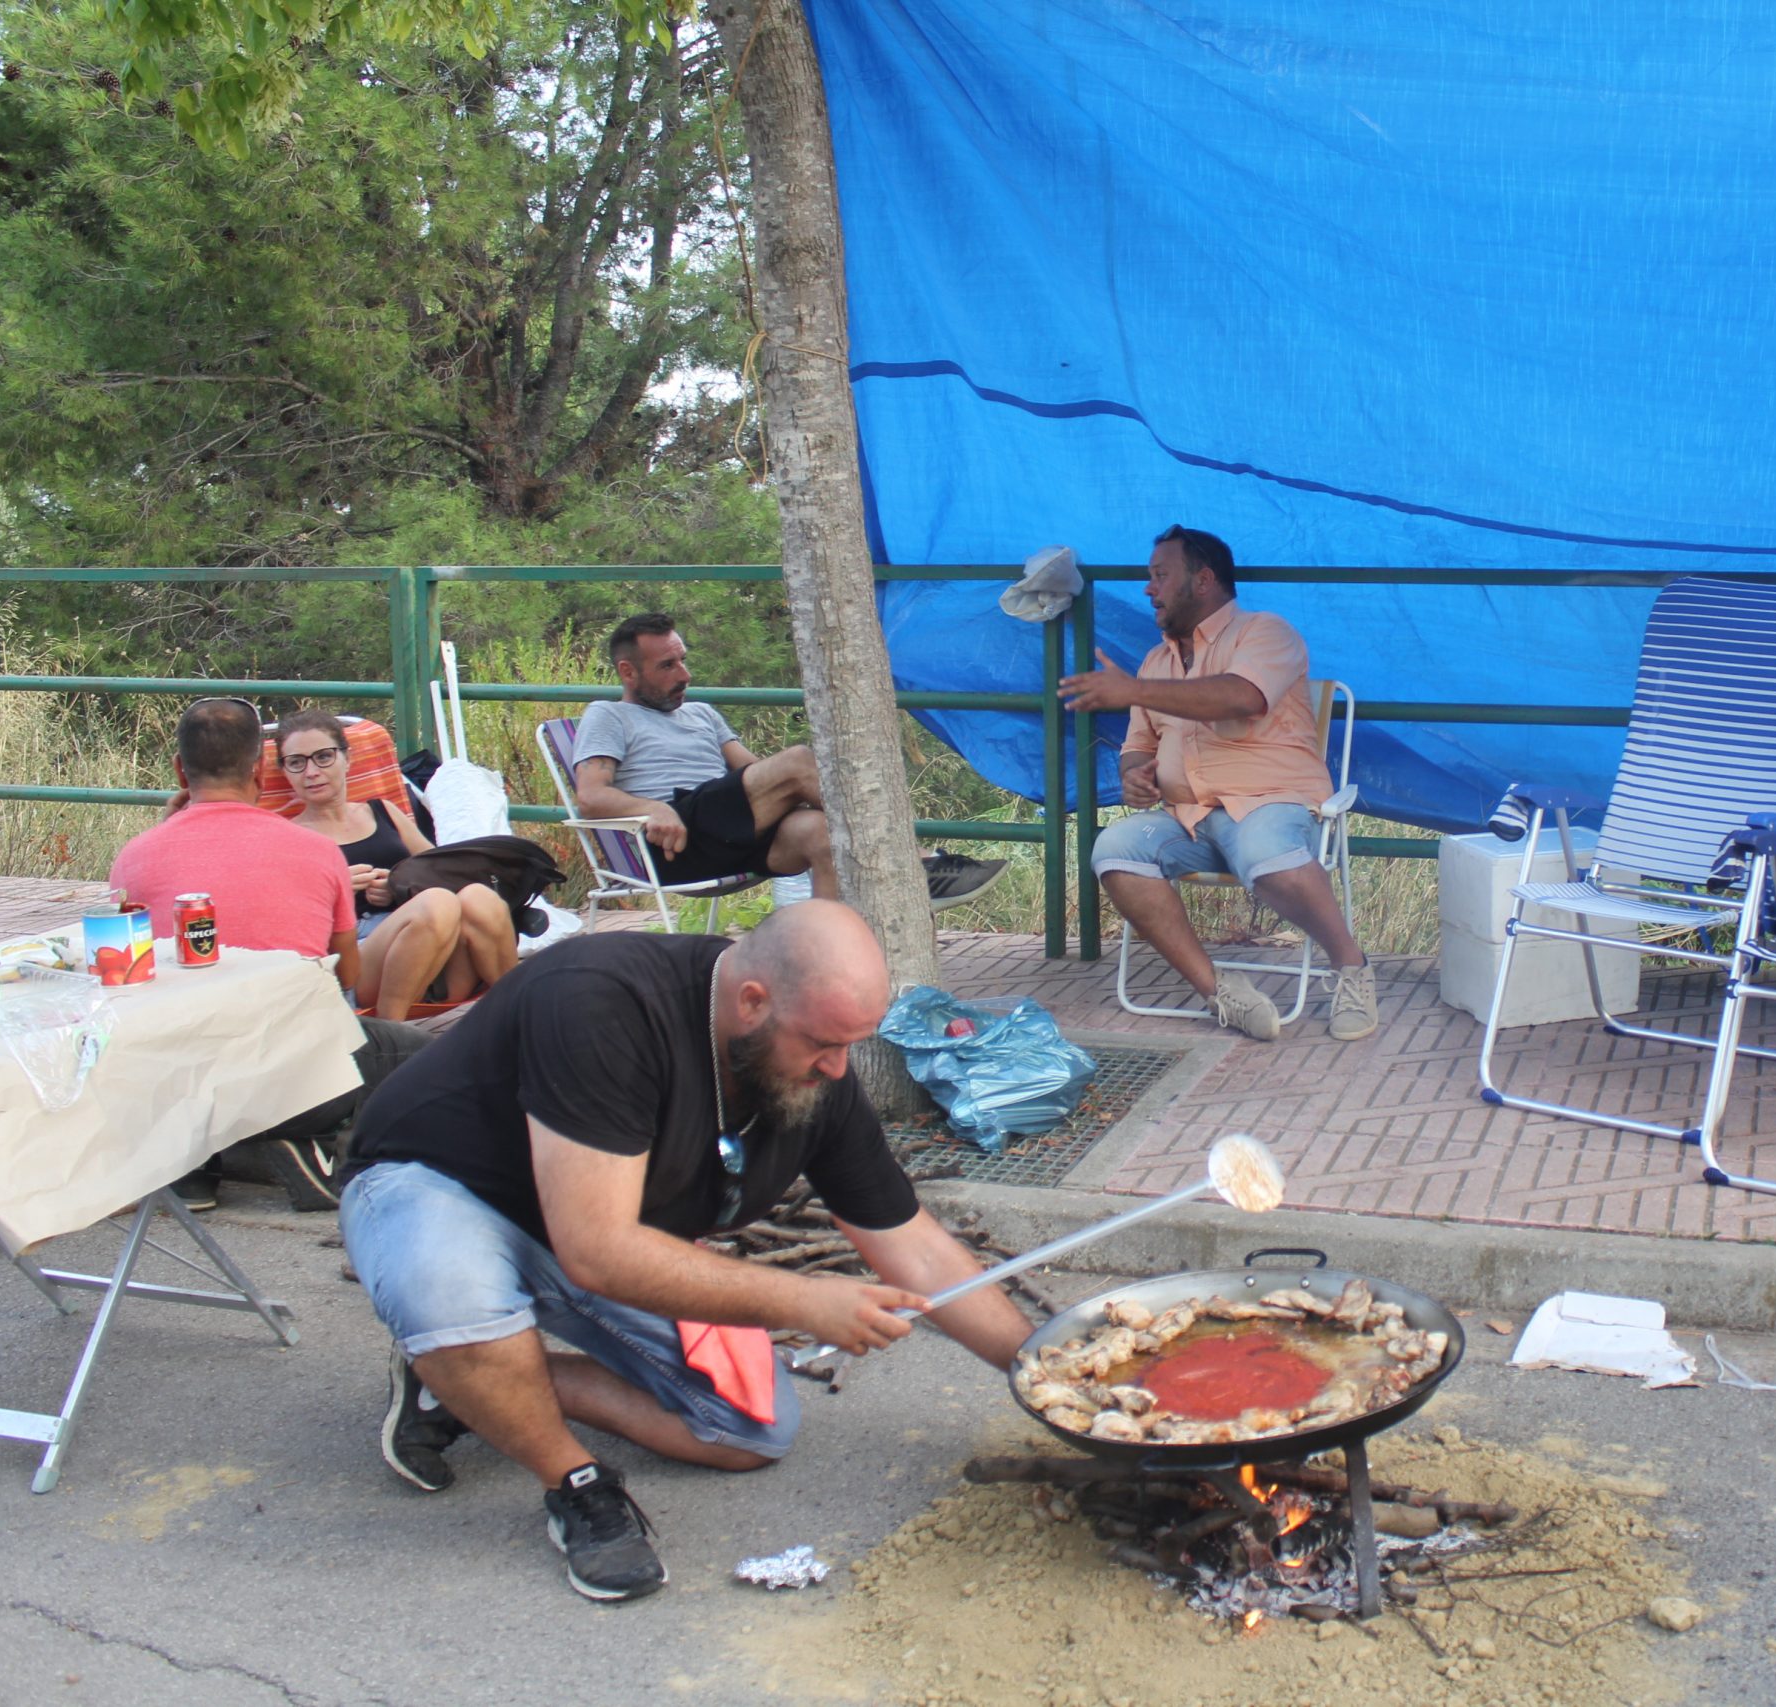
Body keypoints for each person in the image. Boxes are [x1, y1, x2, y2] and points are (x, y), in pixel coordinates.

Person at [336, 901, 1034, 1603]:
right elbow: (599, 1251)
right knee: (448, 1289)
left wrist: (1042, 1367)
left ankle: (455, 1382)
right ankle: (574, 1480)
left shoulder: (818, 1073)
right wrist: (804, 1301)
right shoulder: (601, 1003)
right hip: (437, 1189)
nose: (836, 1068)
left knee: (750, 1429)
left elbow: (916, 1246)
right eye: (823, 1043)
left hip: (590, 1230)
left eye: (852, 1044)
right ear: (752, 1001)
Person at [1061, 525, 1376, 1043]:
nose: (1149, 589)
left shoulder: (1265, 632)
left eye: (1161, 576)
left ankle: (1351, 967)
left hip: (1268, 804)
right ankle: (1220, 991)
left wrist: (1133, 689)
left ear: (1203, 580)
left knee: (1263, 850)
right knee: (1114, 850)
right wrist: (1135, 775)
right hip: (1188, 819)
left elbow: (1241, 697)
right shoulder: (1158, 662)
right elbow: (1138, 744)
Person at [108, 697, 417, 1212]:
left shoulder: (133, 858)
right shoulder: (317, 851)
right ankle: (320, 1140)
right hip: (291, 1069)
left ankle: (194, 1164)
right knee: (423, 1054)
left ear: (180, 770)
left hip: (178, 1075)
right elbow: (348, 975)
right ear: (258, 769)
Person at [569, 613, 1005, 912]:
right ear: (628, 672)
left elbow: (753, 772)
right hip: (675, 840)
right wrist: (653, 809)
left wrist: (805, 799)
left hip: (727, 836)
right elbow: (590, 796)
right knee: (798, 761)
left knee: (821, 832)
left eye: (682, 660)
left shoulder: (701, 713)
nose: (684, 675)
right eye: (667, 665)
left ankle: (826, 965)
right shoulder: (608, 716)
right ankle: (918, 864)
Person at [271, 710, 519, 1021]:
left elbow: (440, 870)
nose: (311, 772)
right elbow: (280, 922)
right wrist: (334, 890)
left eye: (323, 757)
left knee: (478, 897)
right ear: (285, 771)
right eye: (296, 762)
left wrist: (397, 885)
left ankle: (519, 1013)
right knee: (436, 902)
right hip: (355, 961)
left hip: (433, 951)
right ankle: (392, 1034)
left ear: (347, 759)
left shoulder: (383, 811)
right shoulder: (286, 836)